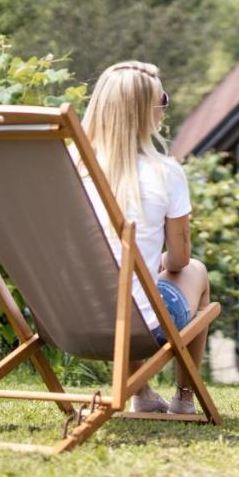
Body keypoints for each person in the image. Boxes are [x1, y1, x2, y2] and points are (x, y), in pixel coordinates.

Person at [79, 61, 210, 414]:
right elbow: (180, 259)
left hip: (70, 321)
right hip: (142, 330)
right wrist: (160, 261)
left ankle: (144, 393)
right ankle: (184, 397)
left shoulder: (70, 170)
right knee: (193, 270)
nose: (165, 109)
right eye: (161, 100)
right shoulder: (164, 172)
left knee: (125, 281)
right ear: (144, 112)